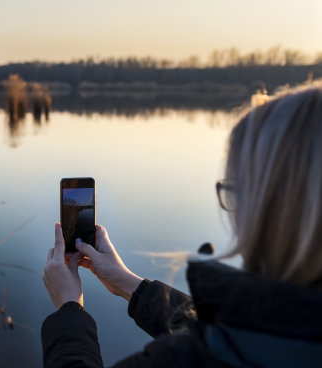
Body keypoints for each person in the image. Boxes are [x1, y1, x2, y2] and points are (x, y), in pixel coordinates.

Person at [41, 84, 322, 367]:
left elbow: (223, 342)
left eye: (237, 192)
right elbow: (228, 333)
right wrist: (125, 282)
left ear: (271, 208)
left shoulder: (190, 359)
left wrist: (69, 308)